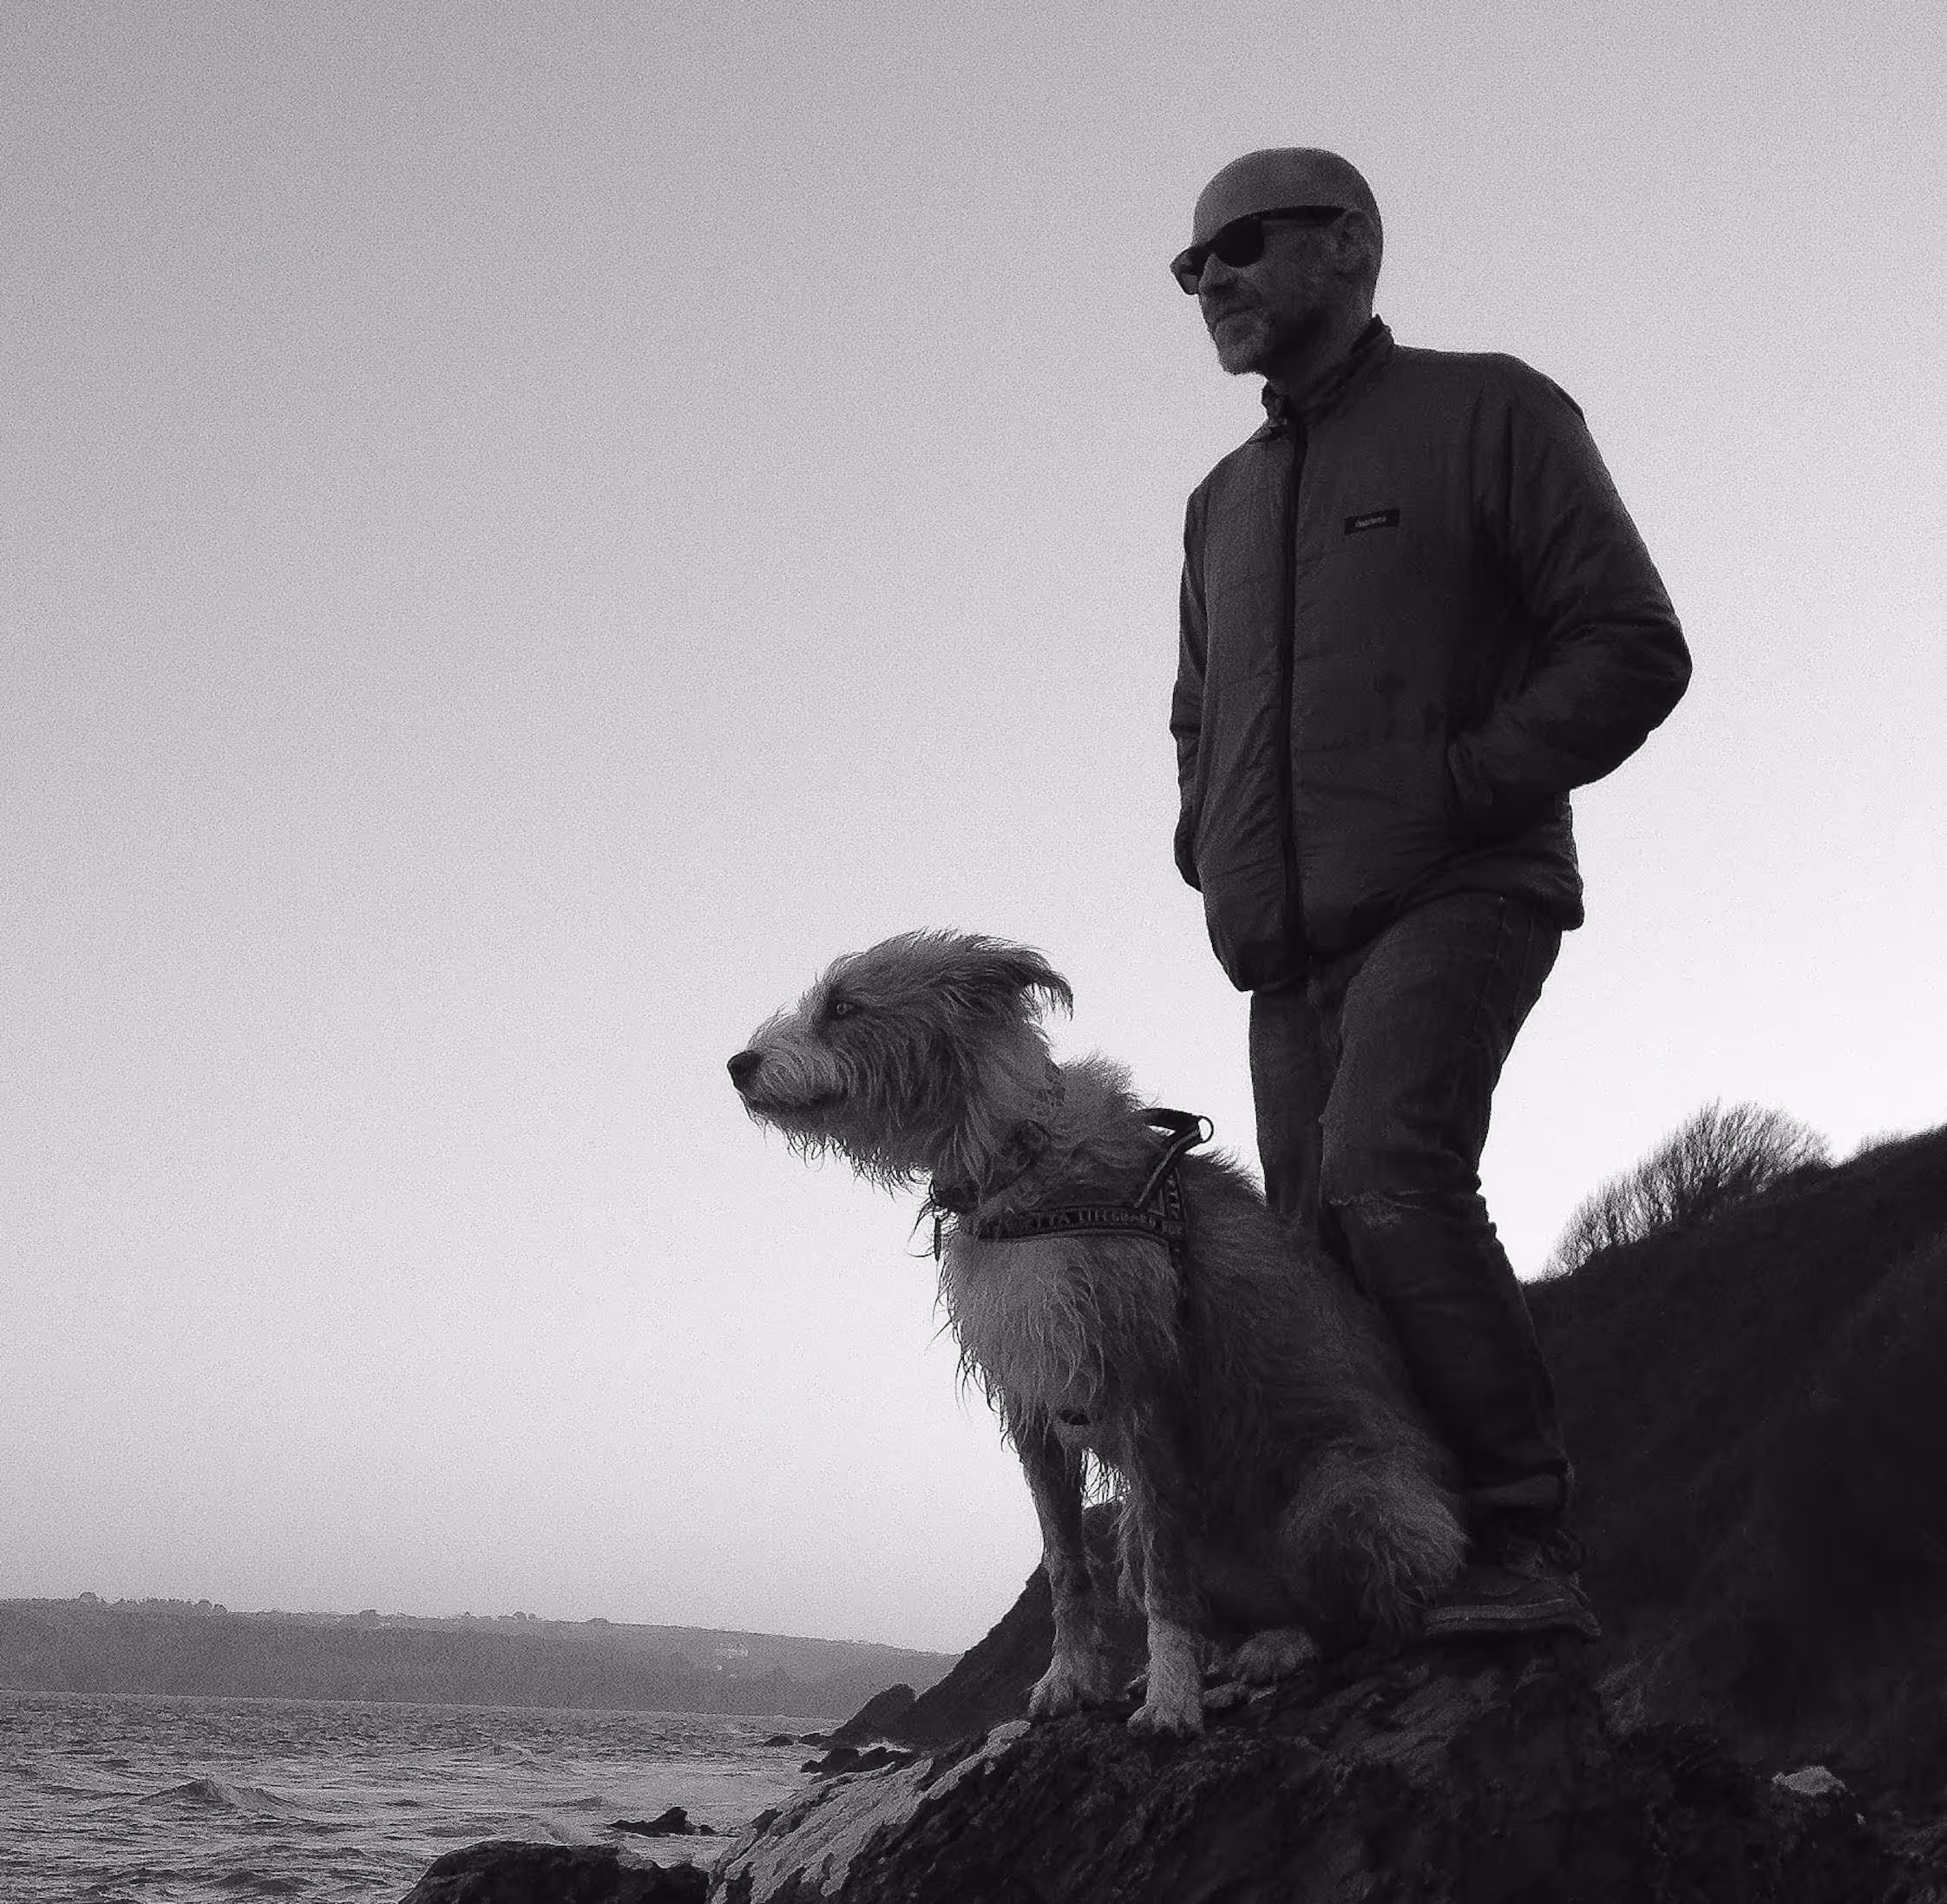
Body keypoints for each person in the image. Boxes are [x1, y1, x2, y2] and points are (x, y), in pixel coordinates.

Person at [1167, 148, 1691, 1638]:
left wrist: (1462, 786)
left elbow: (1632, 642)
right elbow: (1199, 714)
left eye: (1239, 247)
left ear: (1348, 244)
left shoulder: (1493, 411)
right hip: (1282, 942)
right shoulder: (1219, 502)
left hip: (1463, 883)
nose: (1209, 281)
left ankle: (1523, 1542)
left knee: (1389, 1172)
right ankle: (1384, 1565)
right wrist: (1207, 838)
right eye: (1188, 266)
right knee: (1309, 1264)